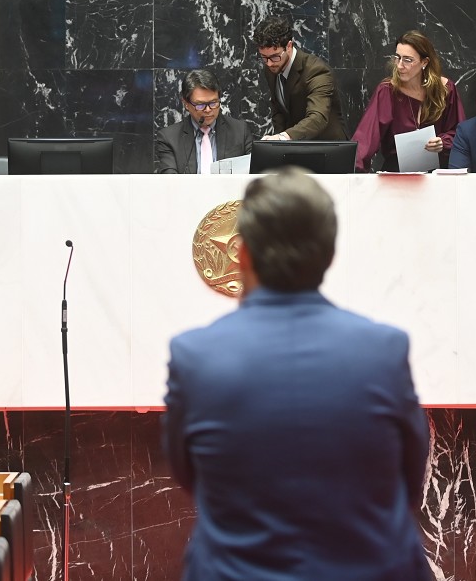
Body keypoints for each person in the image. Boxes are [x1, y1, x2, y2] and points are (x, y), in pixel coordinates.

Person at [164, 168, 431, 581]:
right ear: (329, 255)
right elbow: (410, 479)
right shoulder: (384, 350)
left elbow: (190, 477)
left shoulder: (194, 356)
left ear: (242, 255)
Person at [351, 30, 467, 172]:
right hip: (397, 171)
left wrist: (443, 142)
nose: (400, 65)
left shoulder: (445, 89)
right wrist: (352, 173)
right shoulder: (387, 91)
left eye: (407, 60)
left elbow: (459, 133)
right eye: (397, 57)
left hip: (437, 173)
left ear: (424, 62)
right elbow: (366, 138)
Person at [253, 14, 347, 141]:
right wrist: (277, 144)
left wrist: (283, 137)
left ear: (289, 46)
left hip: (326, 146)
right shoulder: (272, 68)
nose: (269, 63)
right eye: (264, 57)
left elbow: (317, 118)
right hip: (294, 146)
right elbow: (279, 111)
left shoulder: (316, 70)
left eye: (275, 56)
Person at [156, 69, 255, 174]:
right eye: (200, 105)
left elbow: (256, 173)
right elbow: (170, 179)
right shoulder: (169, 138)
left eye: (213, 103)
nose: (208, 110)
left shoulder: (240, 131)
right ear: (186, 104)